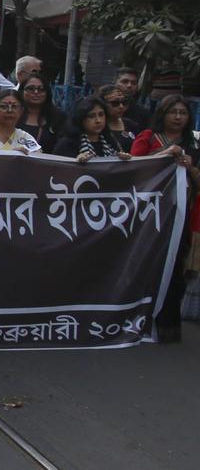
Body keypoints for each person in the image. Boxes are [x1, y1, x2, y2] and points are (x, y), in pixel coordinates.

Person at [130, 94, 200, 342]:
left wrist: (190, 167)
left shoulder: (192, 143)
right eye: (173, 112)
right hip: (149, 216)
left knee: (174, 270)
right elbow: (132, 168)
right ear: (163, 114)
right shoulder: (148, 138)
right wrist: (163, 155)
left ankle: (167, 325)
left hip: (179, 217)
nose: (178, 117)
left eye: (183, 113)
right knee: (146, 264)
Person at [52, 96, 131, 162]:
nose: (98, 120)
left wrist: (121, 159)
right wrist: (76, 162)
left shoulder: (109, 141)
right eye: (91, 116)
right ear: (81, 119)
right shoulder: (67, 144)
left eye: (101, 114)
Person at [16, 74, 62, 153]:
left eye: (41, 89)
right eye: (30, 88)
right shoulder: (11, 114)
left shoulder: (59, 117)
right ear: (22, 91)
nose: (36, 92)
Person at [96, 84, 137, 153]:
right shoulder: (96, 126)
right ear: (103, 104)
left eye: (124, 102)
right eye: (115, 103)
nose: (121, 106)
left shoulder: (131, 124)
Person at [115, 67, 150, 132]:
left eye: (134, 83)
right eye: (125, 82)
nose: (129, 85)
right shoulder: (102, 108)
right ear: (115, 82)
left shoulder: (143, 113)